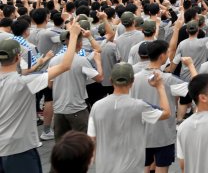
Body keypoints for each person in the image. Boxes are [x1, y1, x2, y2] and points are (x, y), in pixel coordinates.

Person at [0, 21, 82, 172]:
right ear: (18, 57)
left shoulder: (21, 80)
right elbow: (65, 66)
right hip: (19, 149)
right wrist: (74, 36)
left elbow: (23, 72)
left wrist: (41, 61)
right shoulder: (24, 83)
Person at [86, 63, 171, 173]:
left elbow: (91, 139)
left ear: (111, 80)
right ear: (132, 82)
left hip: (104, 167)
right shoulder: (140, 106)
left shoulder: (97, 106)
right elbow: (166, 113)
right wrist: (160, 86)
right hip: (132, 168)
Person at [132, 40, 196, 173]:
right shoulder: (168, 79)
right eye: (167, 52)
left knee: (144, 167)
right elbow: (198, 88)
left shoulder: (134, 78)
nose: (168, 55)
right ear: (162, 56)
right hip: (164, 134)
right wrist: (190, 66)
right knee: (162, 168)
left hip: (140, 133)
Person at [50, 26, 104, 140]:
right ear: (79, 43)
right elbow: (99, 78)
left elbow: (50, 85)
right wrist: (98, 62)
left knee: (61, 144)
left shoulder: (53, 60)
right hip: (77, 108)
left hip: (59, 109)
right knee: (83, 143)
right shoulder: (81, 60)